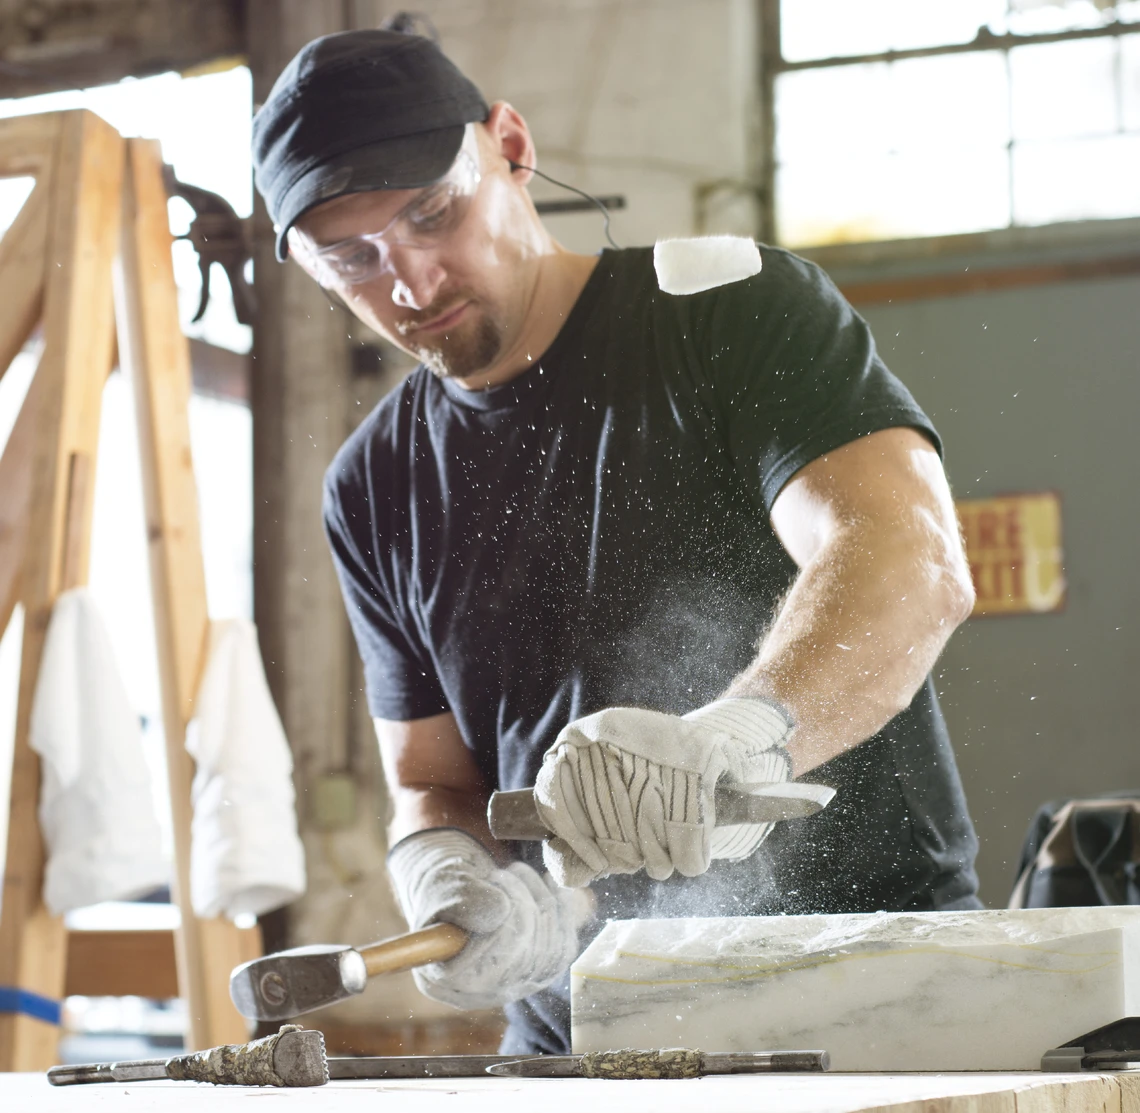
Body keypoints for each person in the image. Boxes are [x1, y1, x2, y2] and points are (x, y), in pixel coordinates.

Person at [251, 27, 982, 1054]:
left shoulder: (728, 312)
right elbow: (435, 781)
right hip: (577, 1034)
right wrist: (450, 877)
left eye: (433, 212)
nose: (410, 281)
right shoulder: (374, 482)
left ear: (509, 143)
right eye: (352, 258)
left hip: (870, 999)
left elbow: (909, 559)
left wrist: (737, 741)